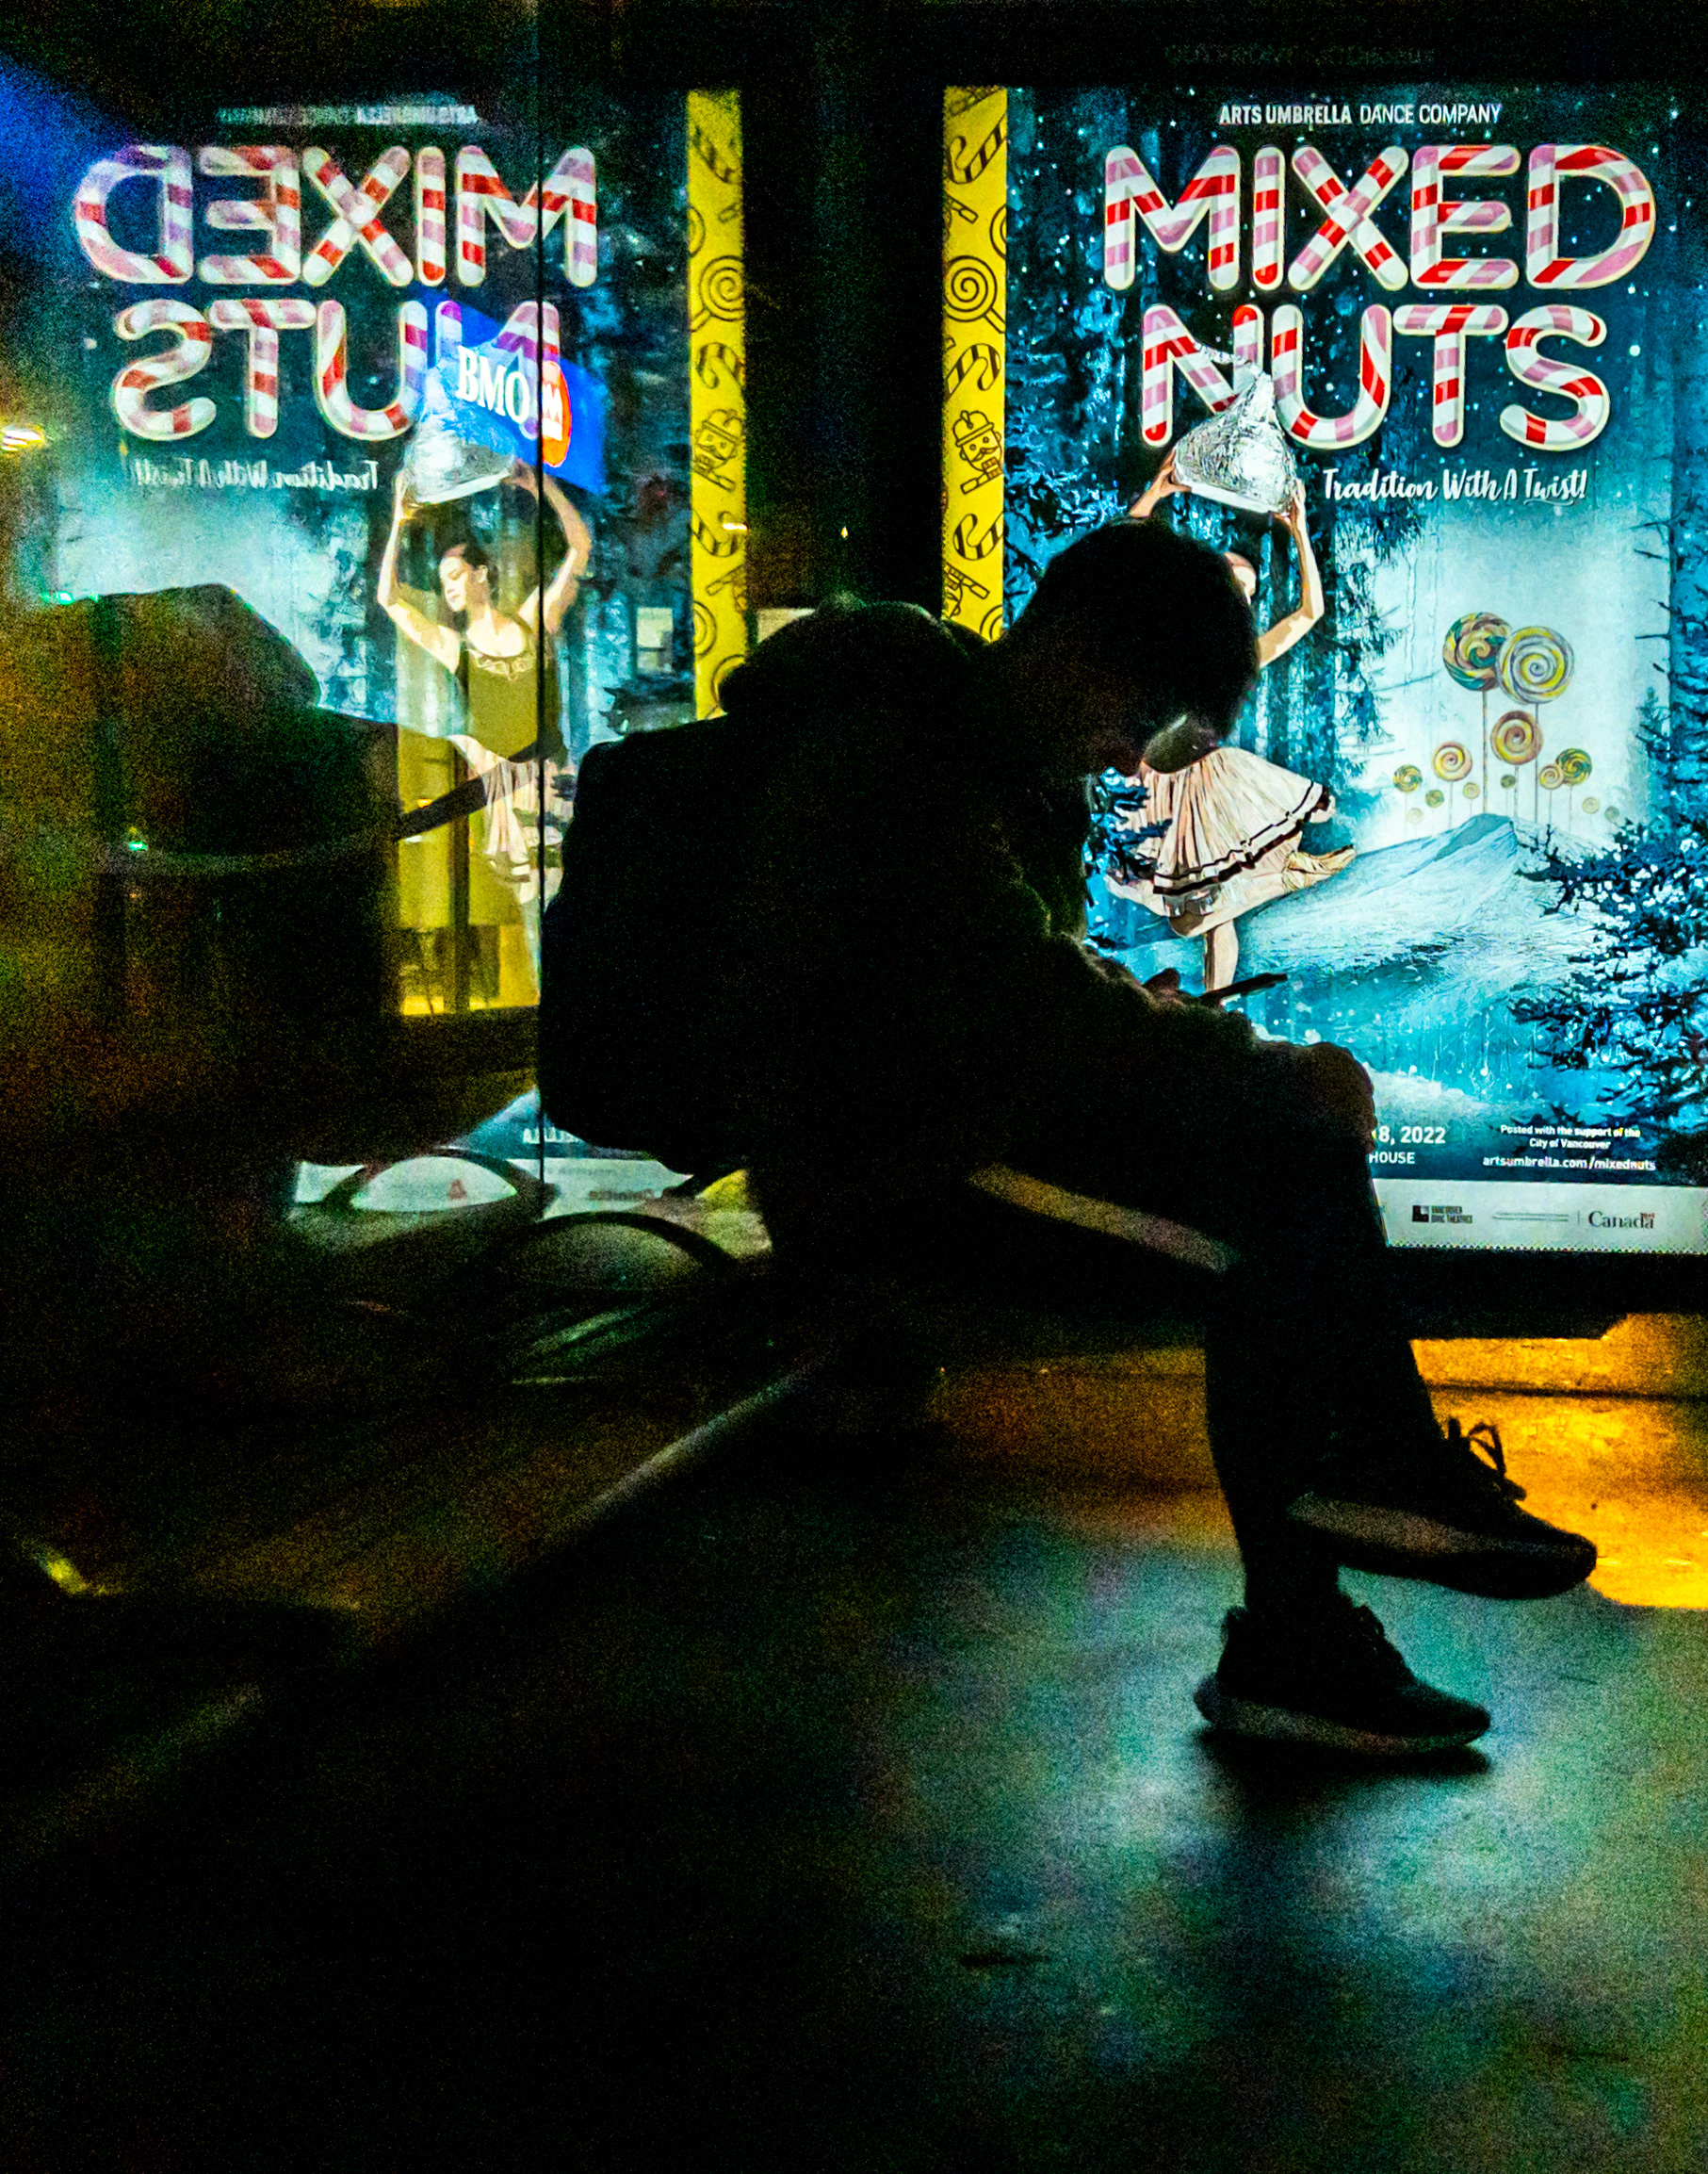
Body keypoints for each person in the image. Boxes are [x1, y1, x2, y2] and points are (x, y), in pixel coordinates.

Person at [541, 519, 1597, 1757]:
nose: (1133, 759)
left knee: (1284, 1171)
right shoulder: (886, 758)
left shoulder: (972, 756)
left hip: (955, 1135)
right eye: (1143, 722)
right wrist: (1263, 1065)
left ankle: (1339, 1549)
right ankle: (1331, 1563)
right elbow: (1015, 1001)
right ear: (1075, 656)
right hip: (889, 1174)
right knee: (1276, 1200)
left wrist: (1168, 1036)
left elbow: (993, 986)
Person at [1114, 455, 1352, 989]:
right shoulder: (1166, 633)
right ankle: (1278, 878)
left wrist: (1300, 531)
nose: (1237, 593)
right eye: (1228, 581)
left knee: (1214, 911)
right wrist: (1154, 493)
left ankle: (1218, 1005)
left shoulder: (1242, 655)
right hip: (1152, 781)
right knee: (1190, 917)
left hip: (1205, 781)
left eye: (1246, 588)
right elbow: (1118, 562)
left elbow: (1309, 613)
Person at [379, 465, 592, 972]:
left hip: (554, 781)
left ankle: (571, 991)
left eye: (455, 576)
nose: (449, 589)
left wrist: (544, 488)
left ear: (481, 574)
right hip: (506, 791)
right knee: (533, 903)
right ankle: (547, 993)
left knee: (569, 894)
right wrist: (397, 522)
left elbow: (579, 549)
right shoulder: (456, 647)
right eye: (443, 582)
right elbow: (390, 600)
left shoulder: (533, 620)